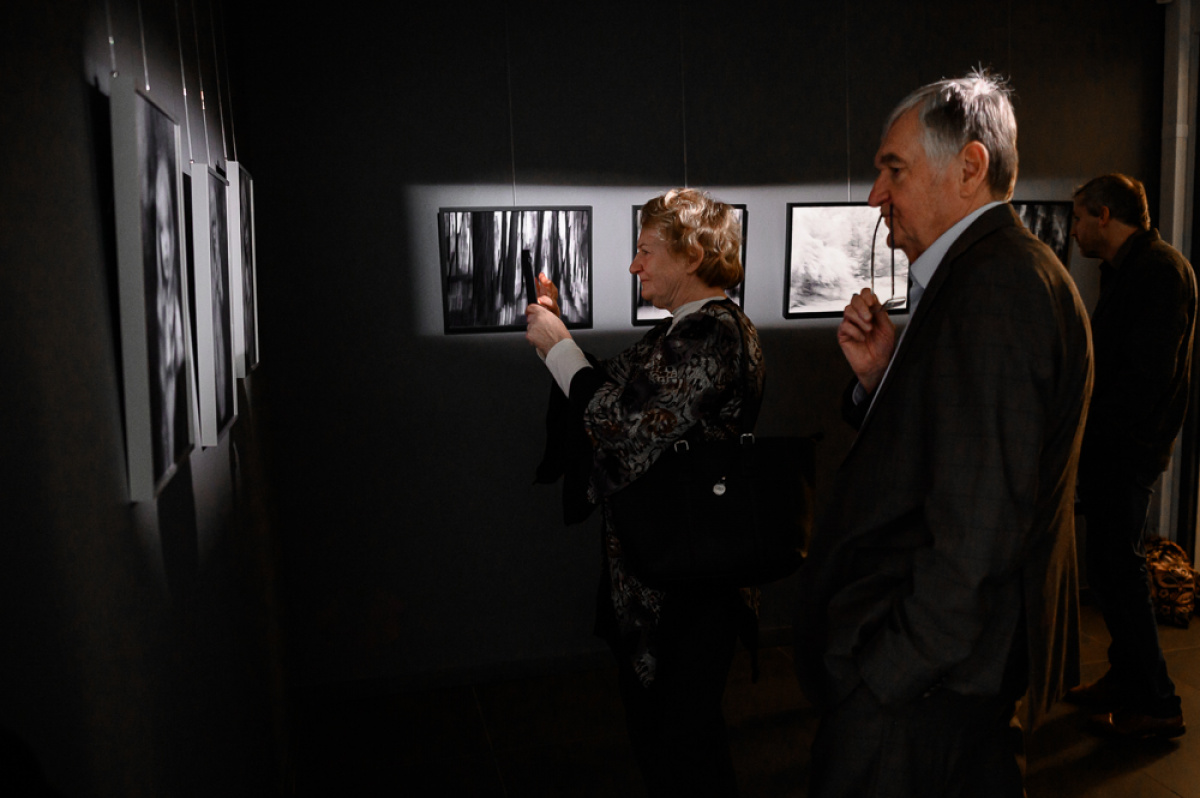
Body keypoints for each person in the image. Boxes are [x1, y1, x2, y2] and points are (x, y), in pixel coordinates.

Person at [792, 70, 1093, 798]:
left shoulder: (996, 288)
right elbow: (961, 454)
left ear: (969, 167)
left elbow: (981, 527)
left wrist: (887, 673)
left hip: (929, 692)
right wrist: (884, 379)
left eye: (893, 169)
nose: (876, 195)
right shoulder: (988, 274)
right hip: (946, 679)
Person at [526, 188, 763, 797]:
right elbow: (611, 384)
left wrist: (559, 347)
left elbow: (616, 419)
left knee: (682, 745)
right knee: (671, 737)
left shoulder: (710, 335)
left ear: (692, 255)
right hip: (672, 569)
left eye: (646, 250)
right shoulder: (687, 331)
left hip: (687, 580)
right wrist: (560, 332)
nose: (634, 265)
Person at [1065, 174, 1196, 738]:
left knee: (1120, 569)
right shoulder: (1127, 268)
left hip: (1128, 449)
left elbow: (1146, 376)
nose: (1072, 231)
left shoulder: (1160, 271)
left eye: (1078, 218)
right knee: (1109, 565)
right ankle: (1126, 678)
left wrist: (1106, 436)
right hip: (1115, 446)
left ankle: (1159, 704)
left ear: (1103, 215)